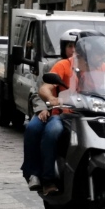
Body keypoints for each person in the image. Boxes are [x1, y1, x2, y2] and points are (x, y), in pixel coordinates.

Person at [22, 31, 78, 194]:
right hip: (51, 110)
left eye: (76, 47)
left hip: (76, 113)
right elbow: (38, 91)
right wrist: (43, 108)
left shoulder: (85, 67)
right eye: (69, 46)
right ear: (63, 47)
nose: (73, 50)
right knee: (33, 128)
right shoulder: (52, 66)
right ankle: (34, 174)